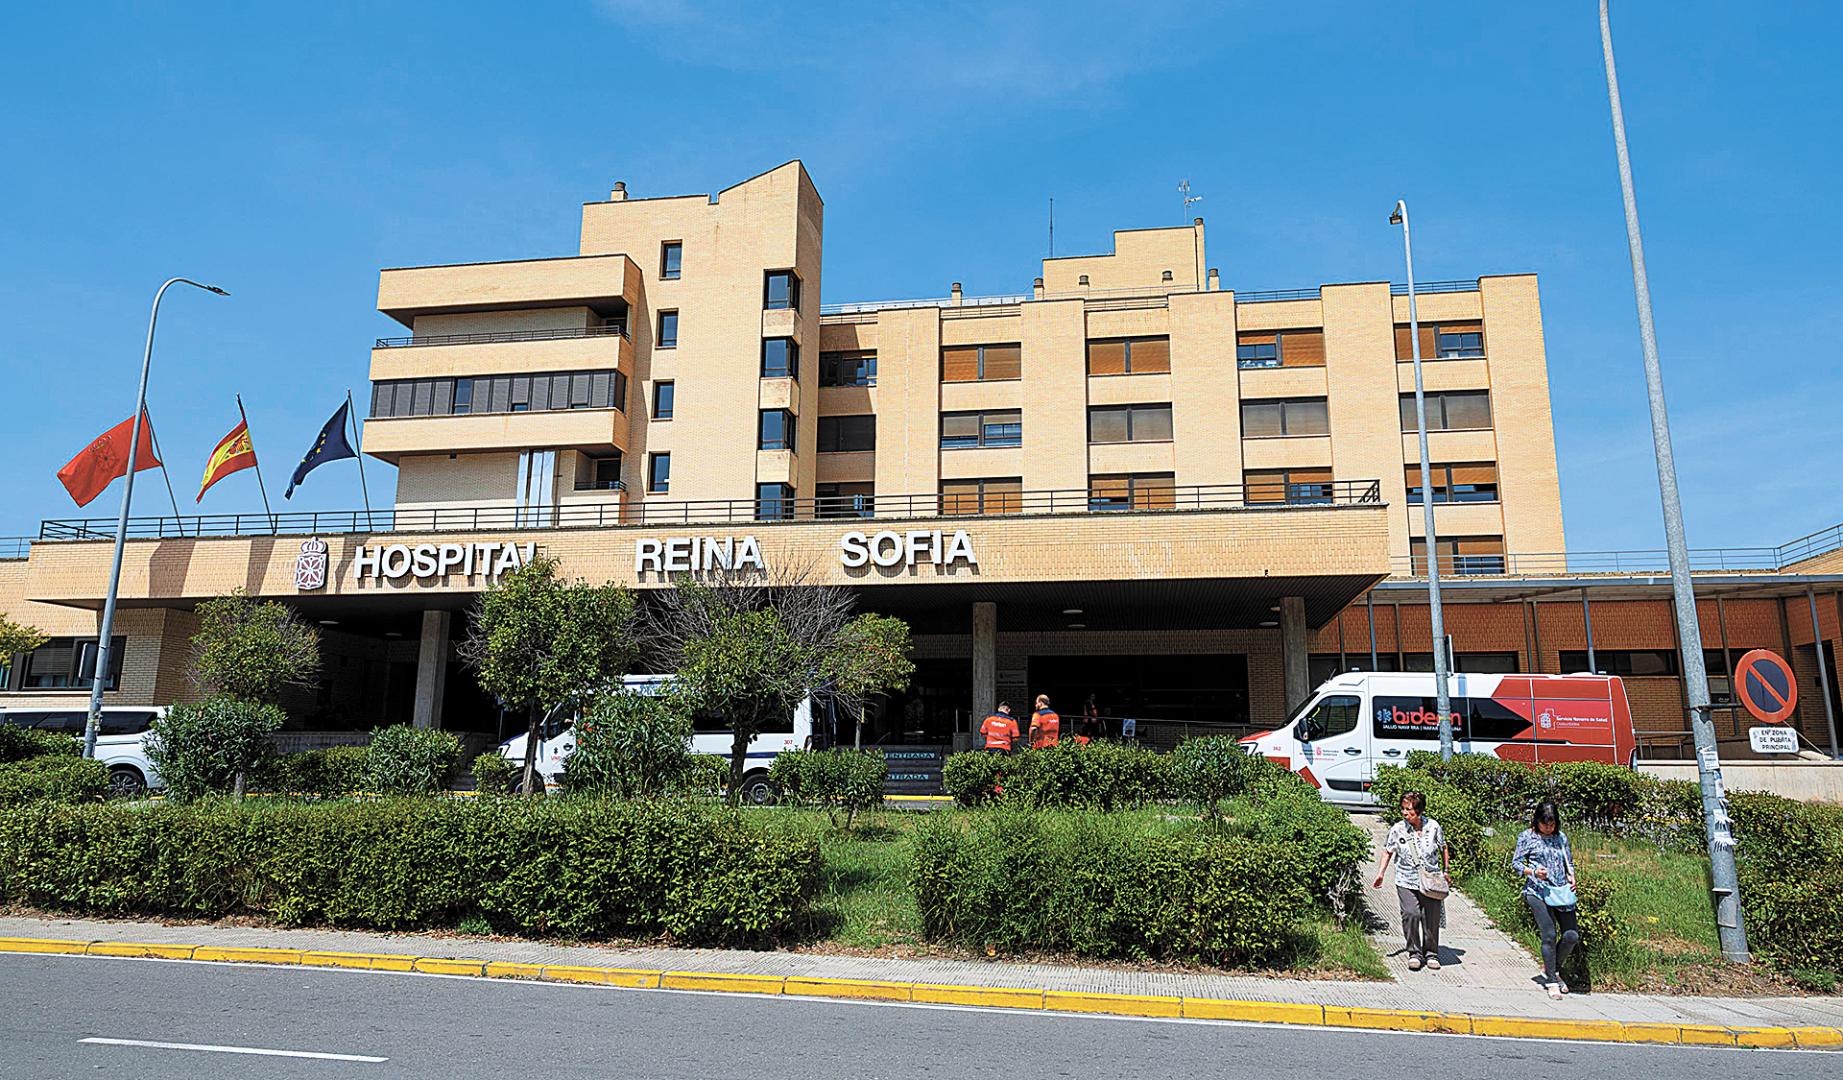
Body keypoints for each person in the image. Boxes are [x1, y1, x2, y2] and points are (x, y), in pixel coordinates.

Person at [1372, 791, 1449, 972]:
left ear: (1419, 811)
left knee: (1431, 918)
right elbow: (1388, 850)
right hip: (1406, 879)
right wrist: (1381, 873)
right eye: (1403, 809)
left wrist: (1446, 871)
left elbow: (1443, 847)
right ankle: (1414, 952)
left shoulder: (1433, 826)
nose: (1405, 813)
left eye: (1409, 810)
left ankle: (1431, 953)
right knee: (1411, 913)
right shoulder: (1398, 829)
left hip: (1430, 880)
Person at [1515, 800, 1580, 999]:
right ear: (1537, 821)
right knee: (1549, 934)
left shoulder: (1561, 838)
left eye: (1552, 824)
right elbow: (1516, 863)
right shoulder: (1527, 837)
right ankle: (1552, 980)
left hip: (1561, 891)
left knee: (1571, 936)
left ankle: (1551, 968)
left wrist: (1572, 878)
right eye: (1545, 824)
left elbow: (1568, 861)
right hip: (1537, 891)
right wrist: (1533, 871)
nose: (1549, 828)